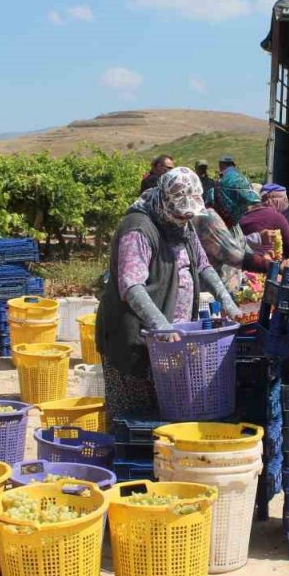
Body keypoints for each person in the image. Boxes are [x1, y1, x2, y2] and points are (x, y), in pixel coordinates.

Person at [96, 168, 241, 418]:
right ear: (164, 201)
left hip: (169, 341)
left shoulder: (182, 225)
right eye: (178, 214)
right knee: (134, 416)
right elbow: (131, 287)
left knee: (164, 414)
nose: (182, 219)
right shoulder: (138, 228)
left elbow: (203, 265)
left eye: (187, 216)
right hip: (133, 339)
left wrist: (227, 301)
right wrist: (162, 326)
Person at [192, 167, 272, 290]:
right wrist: (270, 266)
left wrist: (263, 257)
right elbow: (236, 256)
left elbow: (243, 248)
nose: (246, 209)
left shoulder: (232, 221)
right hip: (210, 297)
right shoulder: (208, 218)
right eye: (242, 204)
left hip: (230, 293)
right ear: (229, 199)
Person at [239, 186, 289, 260]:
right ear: (270, 198)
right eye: (284, 199)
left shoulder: (241, 217)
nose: (286, 202)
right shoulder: (277, 217)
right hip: (265, 266)